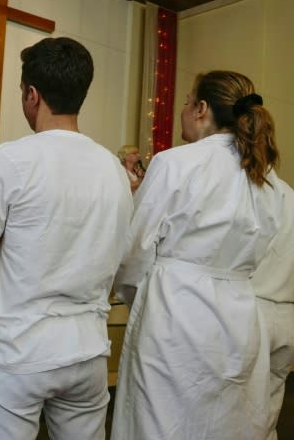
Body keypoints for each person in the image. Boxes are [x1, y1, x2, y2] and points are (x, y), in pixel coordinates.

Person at [0, 37, 133, 440]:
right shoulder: (113, 170)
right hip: (87, 351)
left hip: (18, 352)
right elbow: (113, 261)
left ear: (32, 95)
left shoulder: (9, 160)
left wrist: (12, 312)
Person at [111, 71, 283, 439]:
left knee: (160, 424)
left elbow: (135, 251)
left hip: (174, 315)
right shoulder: (267, 179)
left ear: (202, 109)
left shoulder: (175, 163)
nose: (184, 110)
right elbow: (265, 252)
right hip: (239, 319)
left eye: (187, 102)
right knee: (225, 425)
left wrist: (139, 298)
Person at [252, 178, 294, 439]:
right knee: (268, 417)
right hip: (288, 314)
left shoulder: (253, 195)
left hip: (254, 309)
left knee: (237, 415)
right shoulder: (289, 195)